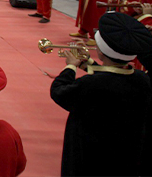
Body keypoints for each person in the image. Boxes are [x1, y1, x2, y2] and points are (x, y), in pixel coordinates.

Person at [50, 12, 152, 176]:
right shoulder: (142, 80)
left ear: (102, 52)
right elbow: (113, 76)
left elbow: (59, 92)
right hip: (125, 157)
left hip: (90, 158)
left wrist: (70, 67)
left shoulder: (91, 85)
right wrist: (89, 64)